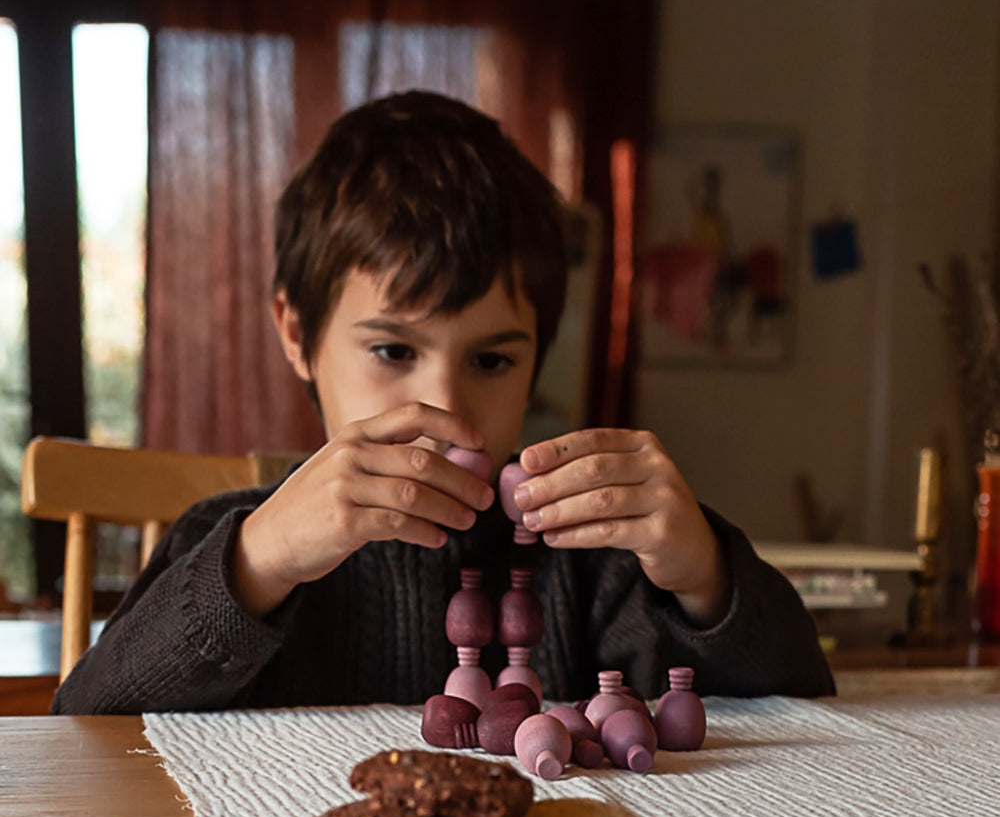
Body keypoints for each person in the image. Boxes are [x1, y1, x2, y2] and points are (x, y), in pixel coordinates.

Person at [52, 90, 834, 714]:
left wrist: (703, 575)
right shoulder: (235, 549)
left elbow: (799, 709)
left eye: (491, 359)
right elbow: (82, 727)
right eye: (393, 351)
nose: (446, 409)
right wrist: (258, 563)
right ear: (296, 332)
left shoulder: (589, 564)